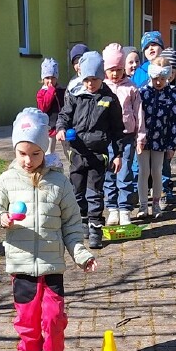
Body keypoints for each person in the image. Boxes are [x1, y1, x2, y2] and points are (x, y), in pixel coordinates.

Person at [0, 108, 97, 351]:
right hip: (22, 267)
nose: (28, 160)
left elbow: (72, 225)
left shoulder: (59, 182)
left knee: (54, 317)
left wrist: (81, 254)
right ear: (15, 150)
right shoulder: (7, 181)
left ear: (44, 150)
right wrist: (1, 218)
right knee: (27, 319)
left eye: (35, 153)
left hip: (52, 265)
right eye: (22, 153)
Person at [56, 50, 124, 250]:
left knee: (95, 193)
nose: (90, 84)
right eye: (86, 79)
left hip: (98, 154)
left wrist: (118, 154)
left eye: (94, 79)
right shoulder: (75, 95)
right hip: (77, 152)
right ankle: (83, 221)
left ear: (101, 77)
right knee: (77, 191)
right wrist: (61, 128)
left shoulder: (109, 100)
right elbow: (64, 115)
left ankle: (96, 229)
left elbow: (117, 130)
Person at [101, 43, 142, 226]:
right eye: (111, 70)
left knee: (124, 173)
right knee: (109, 173)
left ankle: (124, 209)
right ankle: (112, 209)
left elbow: (139, 113)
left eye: (119, 69)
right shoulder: (103, 88)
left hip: (126, 136)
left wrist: (140, 136)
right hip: (107, 138)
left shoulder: (131, 88)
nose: (115, 74)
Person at [136, 57, 176, 218]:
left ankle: (156, 204)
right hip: (143, 140)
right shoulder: (142, 93)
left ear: (168, 77)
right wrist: (137, 137)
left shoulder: (172, 95)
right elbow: (137, 117)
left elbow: (175, 121)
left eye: (163, 79)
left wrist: (172, 144)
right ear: (151, 75)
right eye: (156, 78)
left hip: (161, 140)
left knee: (156, 171)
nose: (159, 82)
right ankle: (143, 205)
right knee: (143, 171)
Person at [157, 47, 176, 202]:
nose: (169, 77)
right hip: (156, 135)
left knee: (165, 164)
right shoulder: (154, 89)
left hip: (171, 136)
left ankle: (166, 189)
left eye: (172, 72)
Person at [35, 57, 65, 165]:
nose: (50, 81)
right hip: (50, 127)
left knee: (68, 150)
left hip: (62, 126)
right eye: (47, 78)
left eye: (53, 78)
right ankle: (48, 168)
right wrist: (50, 91)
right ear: (43, 78)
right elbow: (43, 107)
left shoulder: (62, 91)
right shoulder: (41, 93)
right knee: (49, 152)